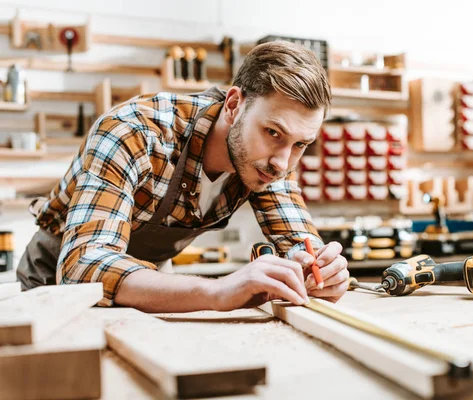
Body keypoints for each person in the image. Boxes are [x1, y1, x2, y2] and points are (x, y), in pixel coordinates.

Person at [17, 41, 349, 312]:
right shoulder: (134, 131)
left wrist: (317, 269)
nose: (283, 162)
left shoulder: (272, 159)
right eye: (273, 132)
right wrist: (219, 291)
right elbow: (83, 269)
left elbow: (298, 242)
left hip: (147, 288)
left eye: (300, 144)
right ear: (234, 106)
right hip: (54, 286)